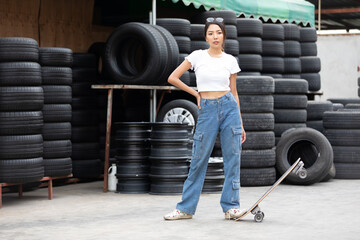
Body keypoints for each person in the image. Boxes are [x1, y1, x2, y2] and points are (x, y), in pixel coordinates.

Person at [163, 17, 246, 220]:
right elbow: (173, 77)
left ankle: (231, 207)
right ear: (206, 36)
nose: (215, 36)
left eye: (218, 32)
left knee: (233, 159)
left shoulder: (230, 61)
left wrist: (241, 124)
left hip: (229, 109)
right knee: (198, 160)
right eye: (211, 33)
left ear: (224, 35)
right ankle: (185, 209)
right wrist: (196, 94)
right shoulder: (197, 56)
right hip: (207, 109)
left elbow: (234, 93)